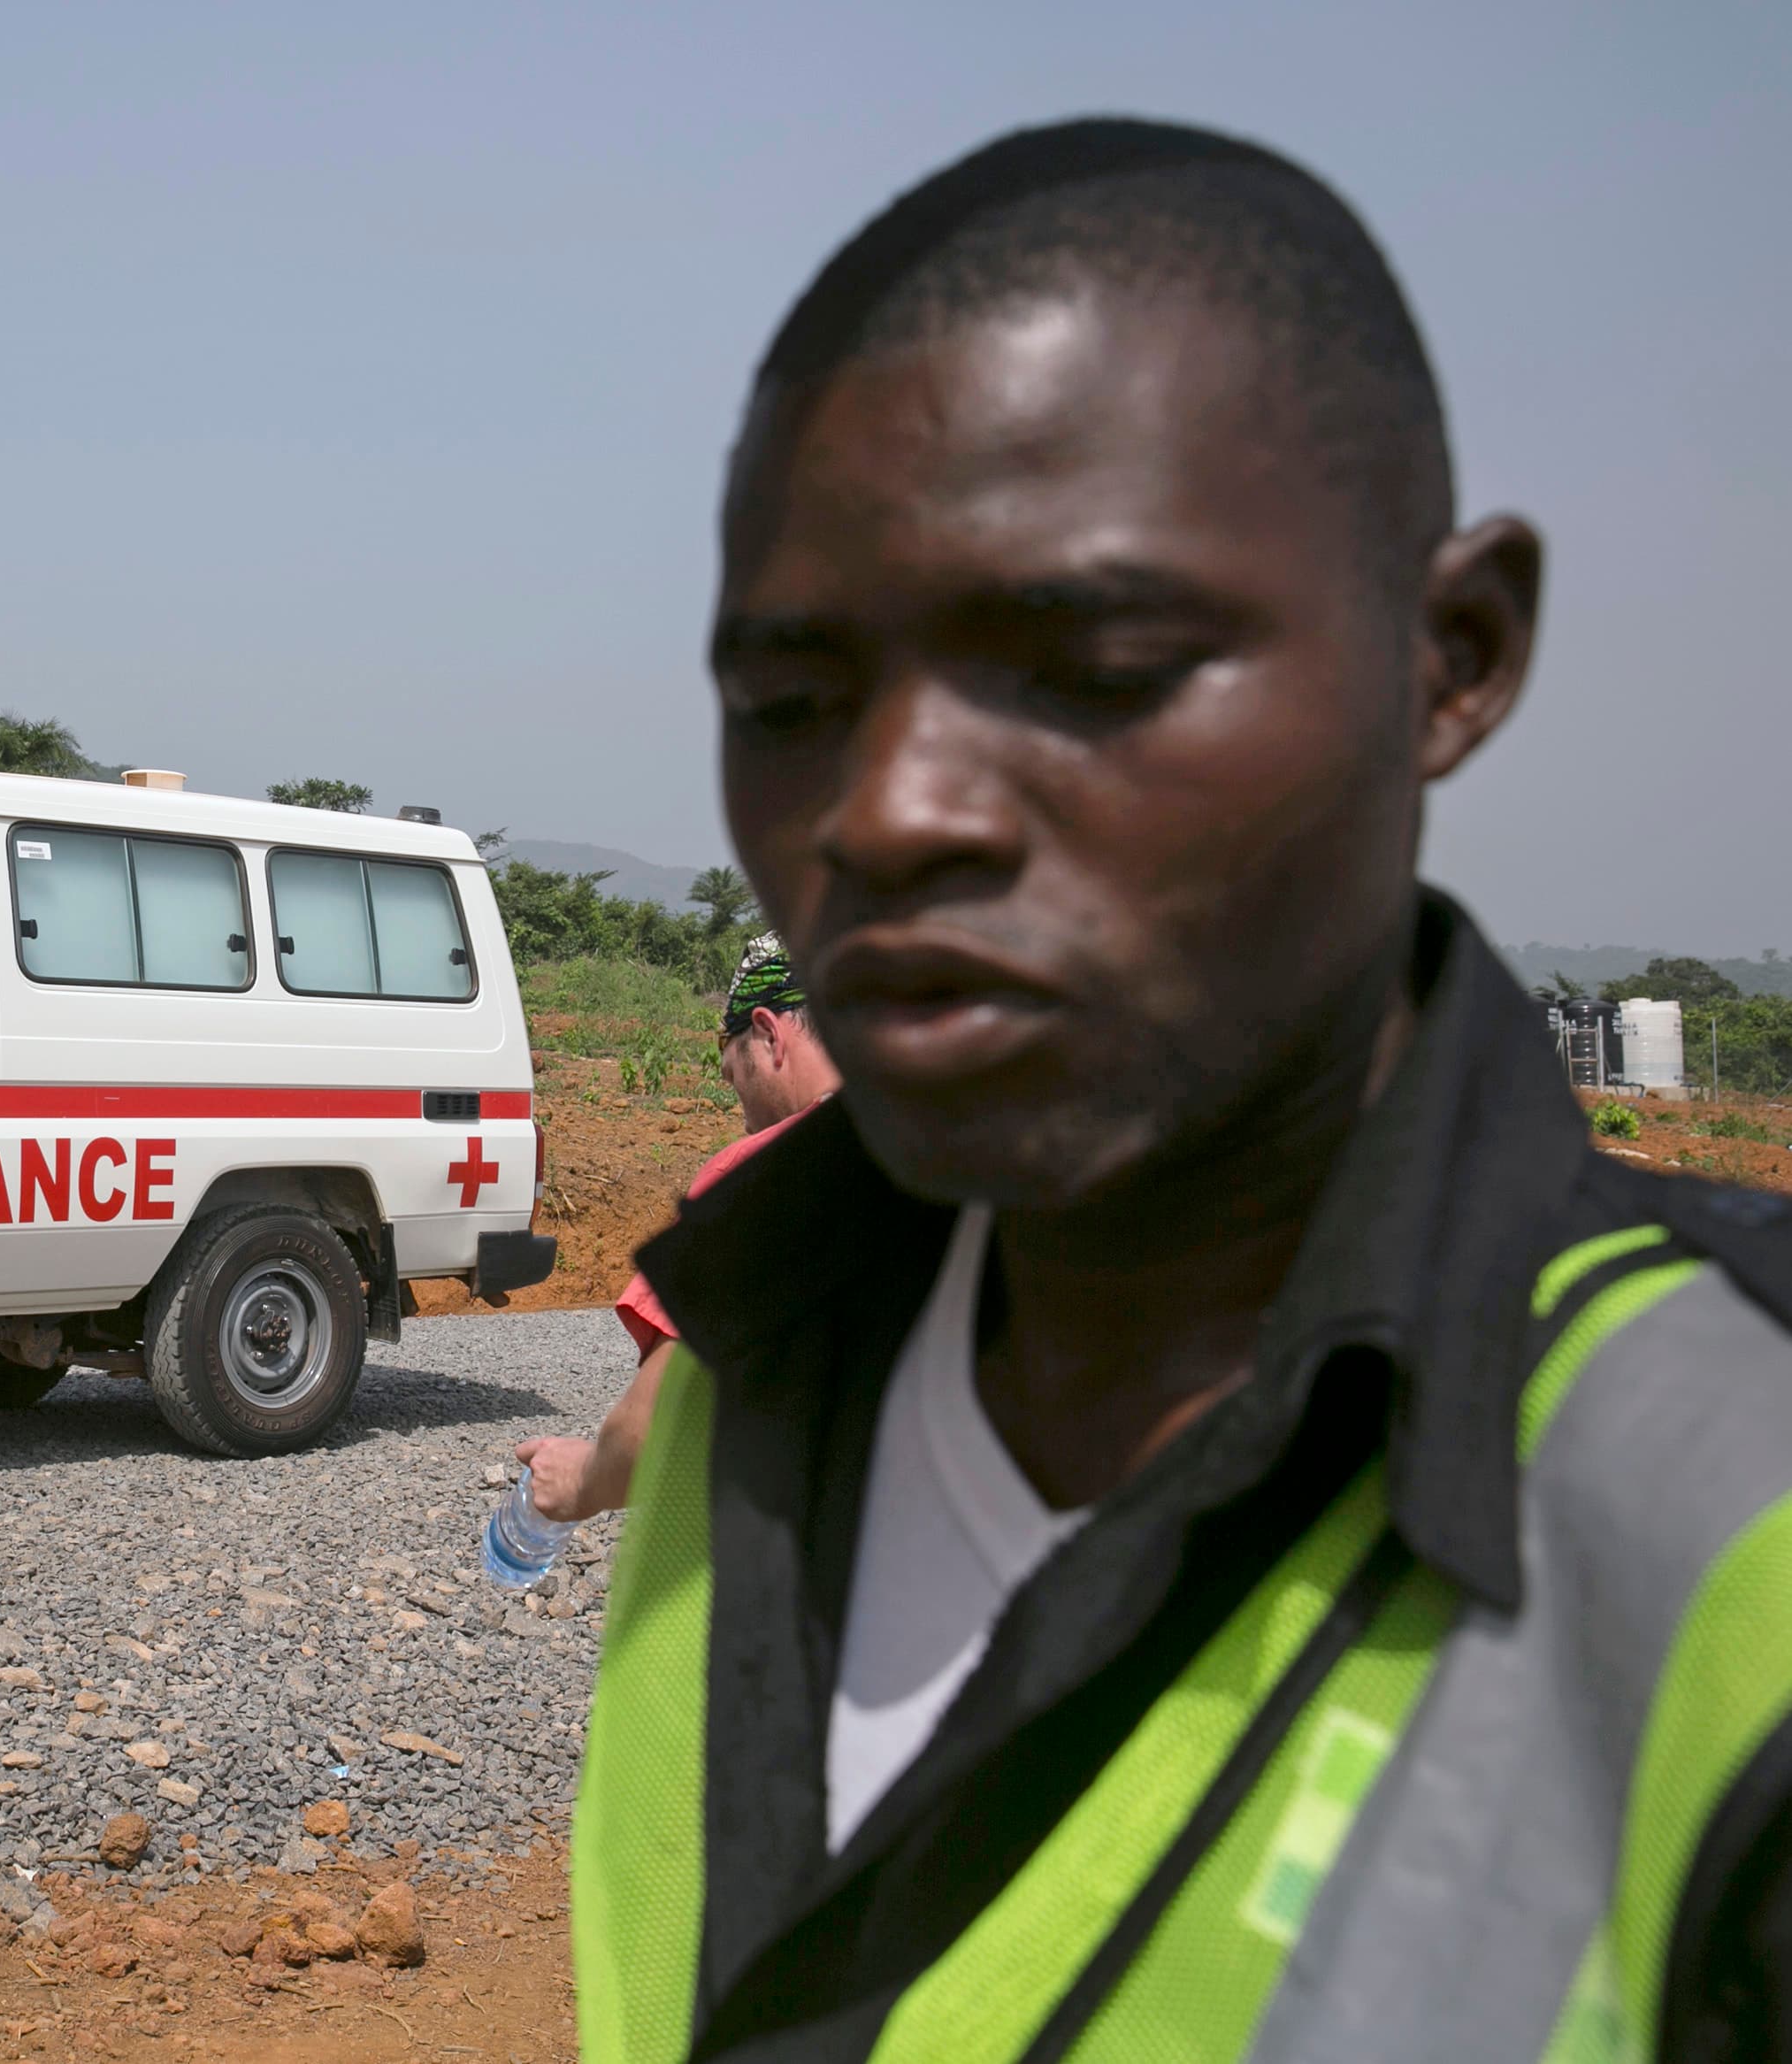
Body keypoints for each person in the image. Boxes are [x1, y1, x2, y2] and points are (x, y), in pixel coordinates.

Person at [572, 118, 1792, 2064]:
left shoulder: (1725, 1513)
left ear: (1448, 655)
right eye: (791, 705)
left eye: (1096, 661)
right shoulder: (750, 1367)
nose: (886, 811)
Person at [517, 932, 839, 1522]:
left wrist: (583, 1478)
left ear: (768, 1033)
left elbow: (662, 1425)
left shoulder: (765, 1176)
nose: (723, 1068)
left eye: (729, 1042)